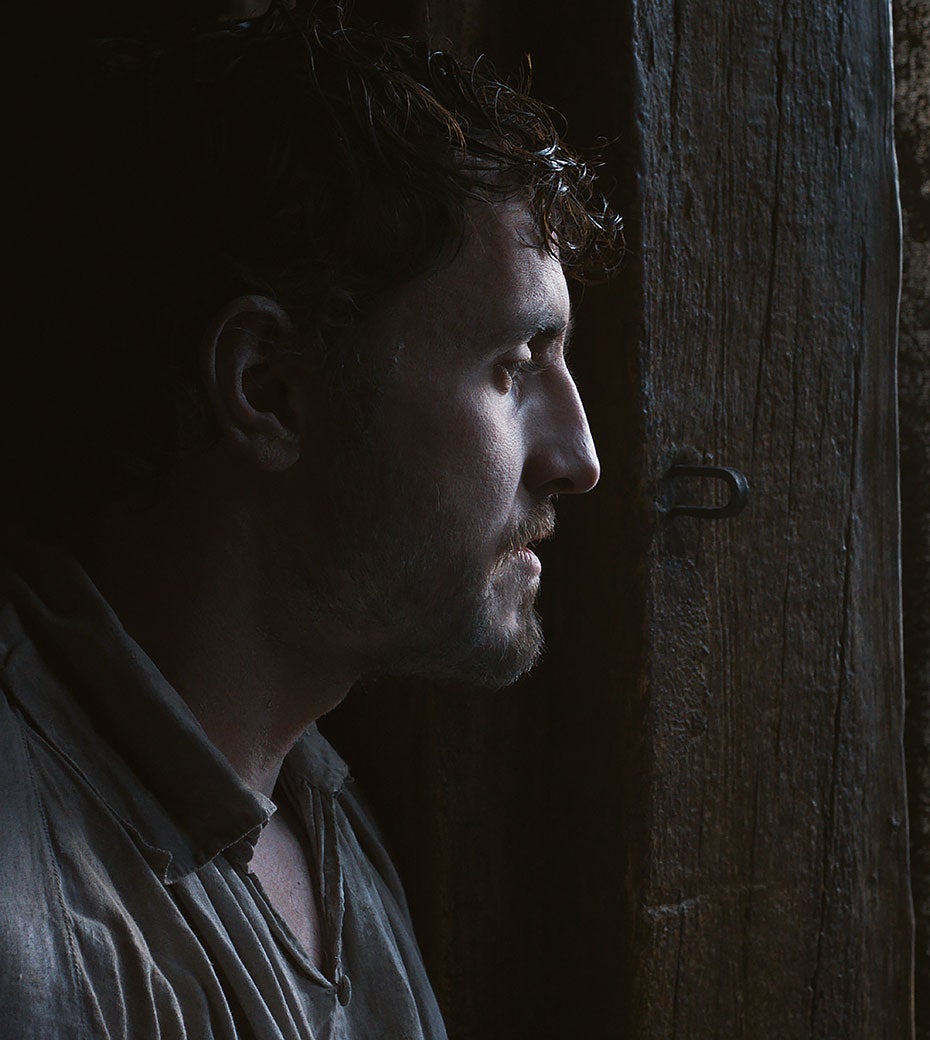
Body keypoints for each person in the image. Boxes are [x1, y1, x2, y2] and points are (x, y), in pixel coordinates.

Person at [0, 10, 619, 1039]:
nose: (579, 457)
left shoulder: (316, 807)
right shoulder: (30, 890)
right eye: (513, 368)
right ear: (270, 390)